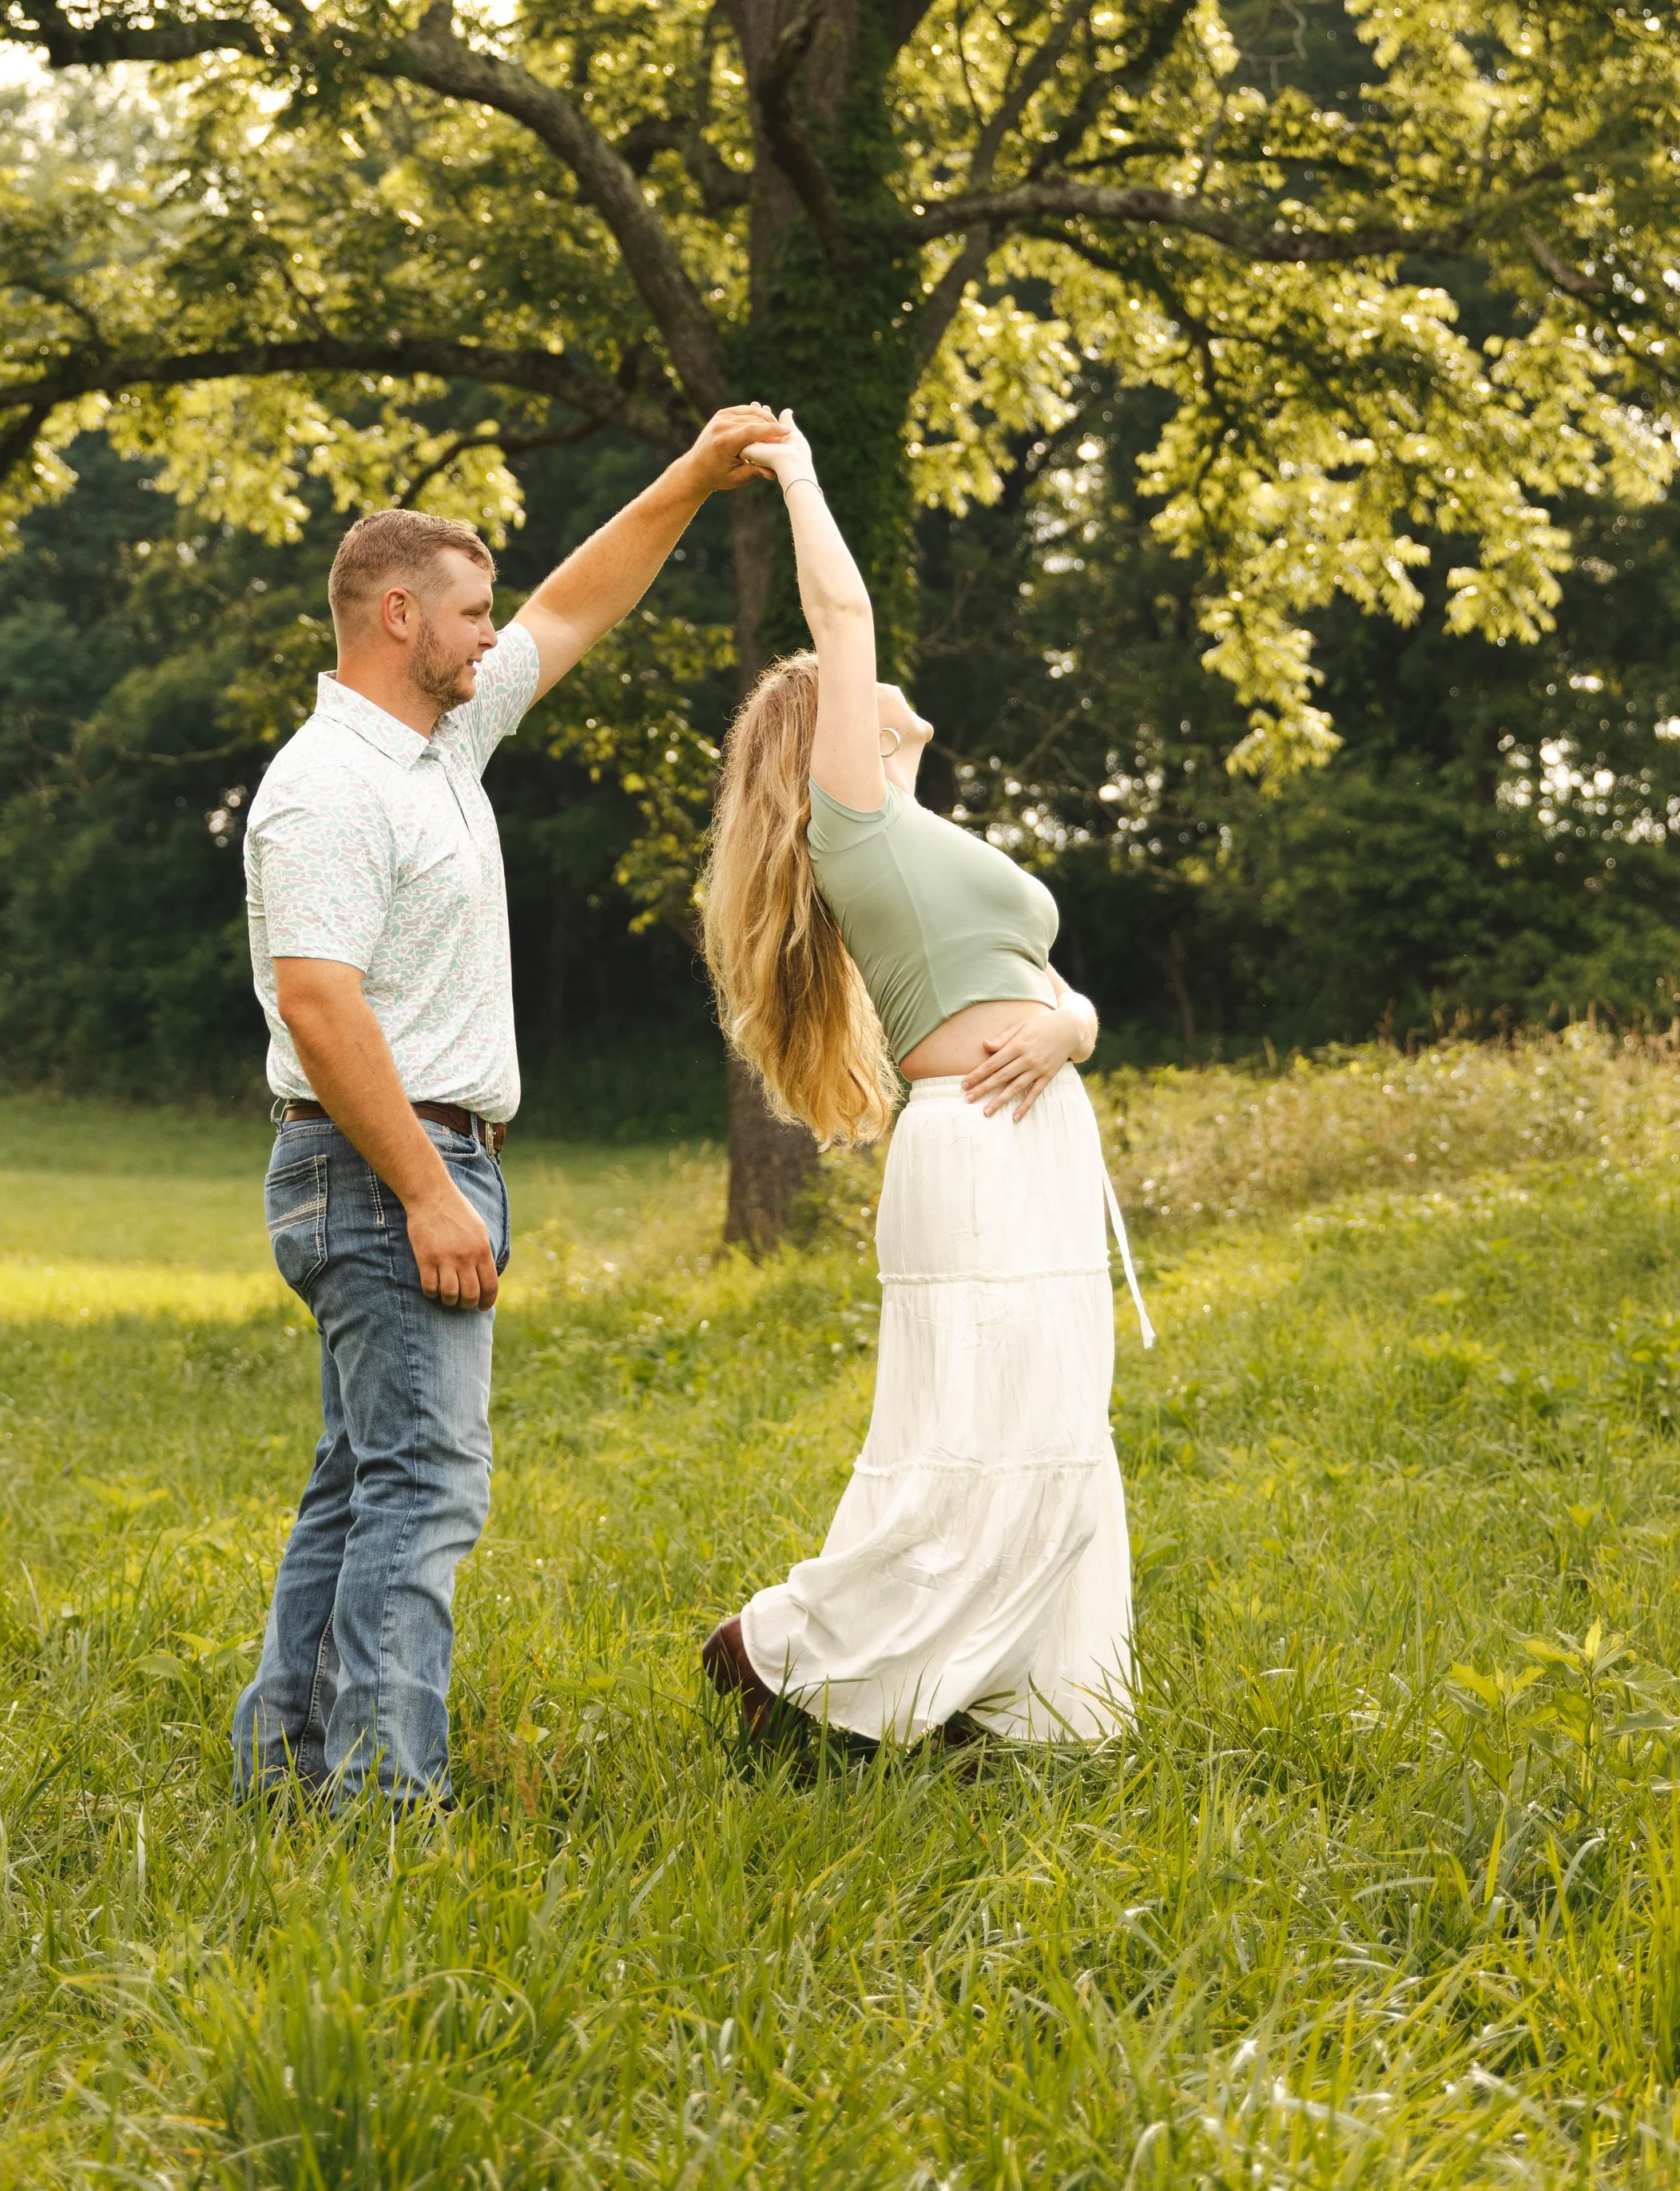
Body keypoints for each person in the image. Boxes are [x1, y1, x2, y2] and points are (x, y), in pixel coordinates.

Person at [232, 405, 784, 1813]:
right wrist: (426, 1190)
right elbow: (318, 1003)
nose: (494, 636)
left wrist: (696, 475)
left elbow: (575, 604)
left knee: (359, 1486)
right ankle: (380, 1805)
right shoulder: (327, 789)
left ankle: (288, 1771)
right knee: (422, 1496)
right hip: (381, 1166)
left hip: (407, 1162)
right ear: (398, 614)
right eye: (470, 614)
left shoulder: (440, 743)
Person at [697, 411, 1152, 1750]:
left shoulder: (925, 837)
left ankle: (1004, 1708)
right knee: (989, 1443)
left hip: (1036, 1142)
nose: (876, 683)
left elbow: (1032, 987)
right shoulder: (860, 823)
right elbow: (840, 608)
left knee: (1051, 1435)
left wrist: (1072, 1024)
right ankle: (782, 1654)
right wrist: (801, 470)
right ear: (824, 736)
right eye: (841, 685)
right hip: (981, 1153)